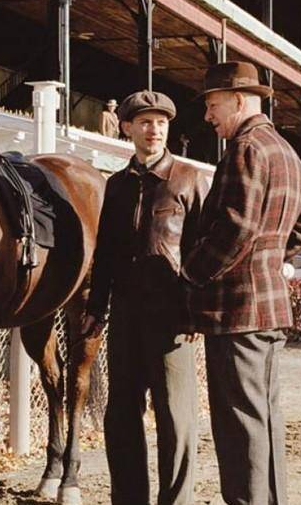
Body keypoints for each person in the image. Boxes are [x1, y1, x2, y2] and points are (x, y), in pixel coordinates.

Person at [182, 61, 301, 505]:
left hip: (237, 311)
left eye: (213, 105)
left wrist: (192, 273)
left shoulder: (244, 149)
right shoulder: (289, 154)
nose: (207, 116)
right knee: (263, 418)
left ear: (239, 101)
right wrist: (266, 261)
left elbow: (235, 228)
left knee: (239, 423)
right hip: (270, 308)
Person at [83, 90, 208, 505]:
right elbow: (104, 252)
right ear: (127, 128)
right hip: (124, 317)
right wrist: (96, 308)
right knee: (121, 417)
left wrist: (194, 310)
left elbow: (202, 250)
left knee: (176, 417)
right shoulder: (116, 186)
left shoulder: (189, 180)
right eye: (144, 123)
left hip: (172, 318)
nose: (153, 130)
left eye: (161, 123)